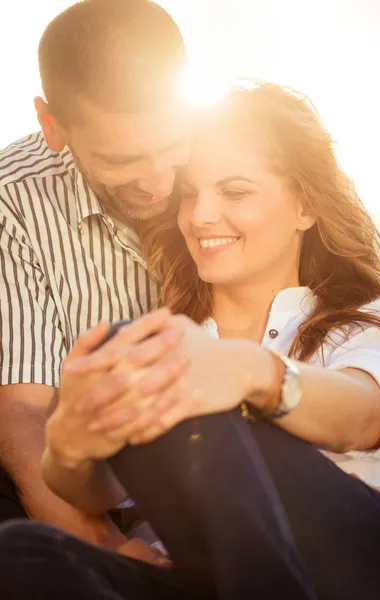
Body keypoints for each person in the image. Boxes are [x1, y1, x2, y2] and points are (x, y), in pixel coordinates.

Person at [1, 83, 380, 599]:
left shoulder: (365, 319)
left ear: (305, 206)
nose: (201, 215)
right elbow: (114, 492)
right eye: (190, 193)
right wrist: (71, 452)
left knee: (180, 381)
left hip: (352, 565)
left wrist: (254, 373)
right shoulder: (170, 330)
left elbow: (364, 415)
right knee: (21, 552)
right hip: (198, 575)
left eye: (234, 191)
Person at [0, 0, 189, 547]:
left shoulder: (241, 151)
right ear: (52, 124)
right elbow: (25, 414)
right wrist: (118, 555)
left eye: (172, 143)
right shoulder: (13, 201)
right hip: (75, 472)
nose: (157, 181)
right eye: (121, 159)